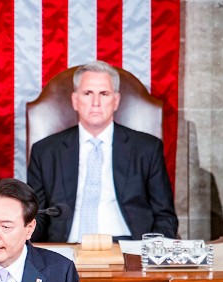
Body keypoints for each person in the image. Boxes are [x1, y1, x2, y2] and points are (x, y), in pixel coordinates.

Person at [27, 60, 178, 242]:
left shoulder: (147, 149)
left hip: (128, 246)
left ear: (116, 101)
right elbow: (37, 217)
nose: (96, 103)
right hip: (66, 247)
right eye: (88, 93)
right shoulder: (45, 152)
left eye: (104, 94)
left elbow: (164, 216)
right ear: (75, 101)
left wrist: (151, 253)